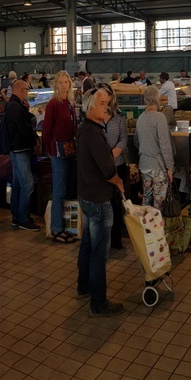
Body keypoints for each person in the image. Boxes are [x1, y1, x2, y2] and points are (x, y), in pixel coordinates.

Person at [76, 87, 127, 316]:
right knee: (99, 252)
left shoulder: (86, 129)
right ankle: (98, 303)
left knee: (88, 243)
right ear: (91, 107)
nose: (107, 108)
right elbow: (107, 170)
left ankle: (84, 286)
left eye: (108, 103)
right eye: (103, 104)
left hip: (87, 196)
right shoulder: (94, 133)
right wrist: (118, 182)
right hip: (98, 200)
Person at [42, 71, 78, 242]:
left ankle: (68, 225)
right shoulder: (53, 104)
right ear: (56, 85)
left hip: (70, 150)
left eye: (66, 82)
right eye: (61, 82)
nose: (63, 85)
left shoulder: (70, 103)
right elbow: (46, 130)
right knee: (59, 190)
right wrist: (51, 151)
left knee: (68, 188)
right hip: (58, 152)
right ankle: (56, 228)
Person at [4, 80, 40, 231]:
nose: (28, 92)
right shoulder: (15, 107)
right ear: (20, 90)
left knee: (18, 183)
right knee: (28, 184)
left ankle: (16, 216)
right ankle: (23, 218)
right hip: (20, 150)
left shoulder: (14, 106)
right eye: (27, 90)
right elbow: (24, 129)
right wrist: (34, 141)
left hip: (17, 149)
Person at [134, 86, 173, 209]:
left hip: (144, 166)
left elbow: (136, 141)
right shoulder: (160, 118)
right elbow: (165, 145)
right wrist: (170, 167)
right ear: (157, 98)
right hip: (158, 166)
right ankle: (157, 222)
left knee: (146, 200)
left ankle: (146, 221)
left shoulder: (140, 118)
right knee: (158, 203)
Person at [101, 86, 128, 250]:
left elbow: (124, 139)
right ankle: (103, 238)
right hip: (101, 166)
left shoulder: (119, 117)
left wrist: (116, 150)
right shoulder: (95, 117)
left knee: (116, 203)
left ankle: (116, 239)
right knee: (103, 203)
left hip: (118, 164)